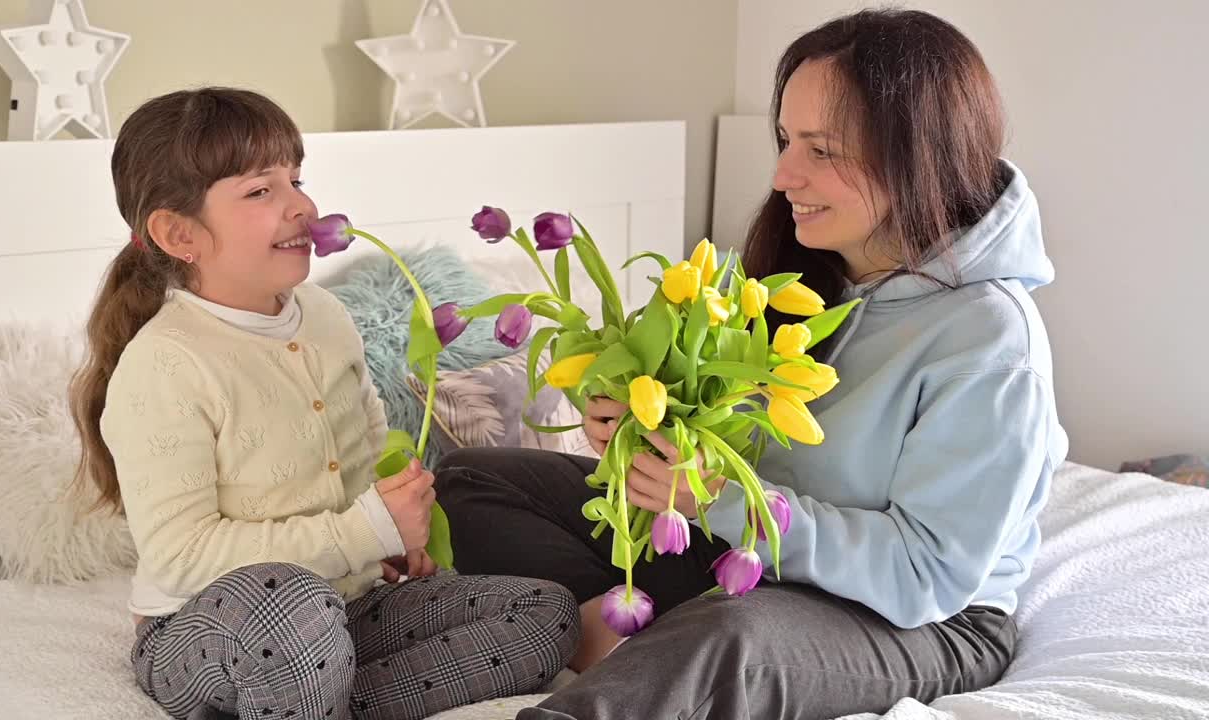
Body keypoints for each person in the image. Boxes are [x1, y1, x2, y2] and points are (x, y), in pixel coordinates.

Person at [435, 9, 1067, 719]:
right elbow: (726, 430)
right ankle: (597, 642)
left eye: (821, 149)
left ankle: (619, 676)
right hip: (755, 554)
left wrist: (716, 500)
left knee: (731, 636)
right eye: (786, 140)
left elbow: (926, 573)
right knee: (476, 477)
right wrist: (649, 437)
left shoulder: (990, 340)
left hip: (921, 617)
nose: (784, 174)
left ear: (916, 153)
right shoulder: (804, 274)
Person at [68, 87, 580, 720]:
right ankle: (306, 683)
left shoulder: (326, 317)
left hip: (350, 604)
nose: (303, 206)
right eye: (261, 191)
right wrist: (360, 531)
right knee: (293, 602)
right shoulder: (166, 364)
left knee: (546, 612)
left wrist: (387, 539)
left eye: (297, 179)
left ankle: (324, 696)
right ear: (179, 233)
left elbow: (360, 446)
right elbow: (180, 558)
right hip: (211, 627)